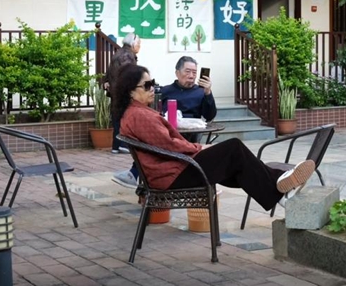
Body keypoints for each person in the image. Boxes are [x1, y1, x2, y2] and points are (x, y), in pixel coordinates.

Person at [112, 64, 314, 211]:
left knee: (237, 164)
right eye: (147, 85)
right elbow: (169, 146)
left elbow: (169, 143)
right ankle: (279, 183)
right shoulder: (140, 115)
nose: (152, 89)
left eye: (153, 83)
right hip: (172, 175)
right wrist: (200, 148)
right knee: (234, 149)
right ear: (131, 91)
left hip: (173, 170)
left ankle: (279, 188)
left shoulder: (136, 112)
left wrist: (197, 148)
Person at [112, 56, 216, 187]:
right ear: (177, 72)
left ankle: (135, 174)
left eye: (194, 72)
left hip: (189, 134)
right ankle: (135, 173)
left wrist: (208, 93)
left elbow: (209, 116)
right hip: (165, 135)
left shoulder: (201, 92)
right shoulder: (165, 91)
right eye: (187, 71)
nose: (191, 76)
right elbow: (154, 118)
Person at [105, 33, 141, 154]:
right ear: (132, 44)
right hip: (123, 91)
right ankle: (124, 145)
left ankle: (116, 146)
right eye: (138, 44)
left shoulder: (119, 53)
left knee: (117, 119)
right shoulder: (127, 55)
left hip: (115, 91)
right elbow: (128, 74)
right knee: (126, 117)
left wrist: (107, 82)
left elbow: (109, 71)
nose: (139, 47)